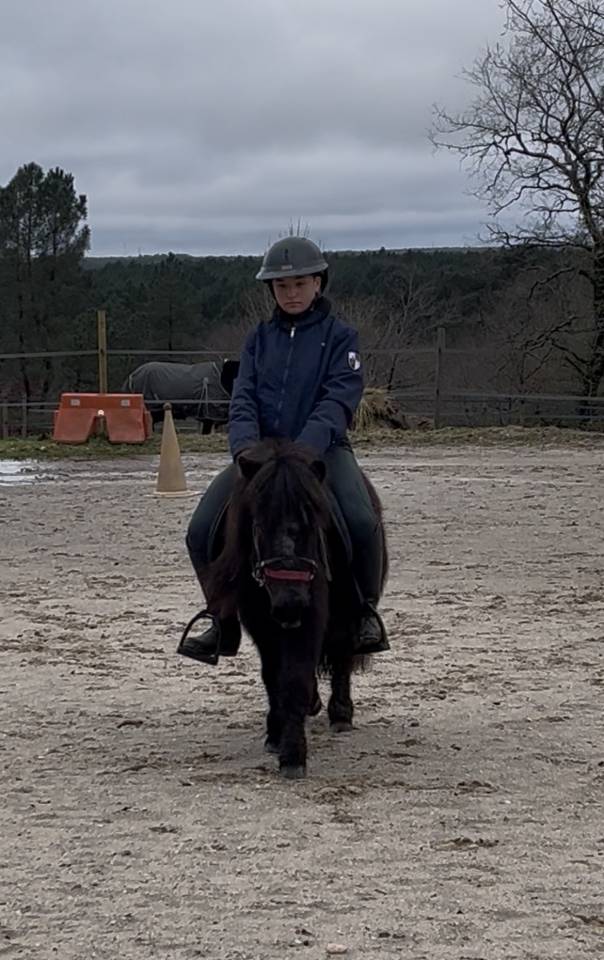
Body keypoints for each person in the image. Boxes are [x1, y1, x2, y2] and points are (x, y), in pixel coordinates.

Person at [178, 236, 389, 664]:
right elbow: (243, 398)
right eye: (281, 286)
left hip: (322, 454)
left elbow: (338, 399)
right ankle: (222, 620)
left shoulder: (341, 337)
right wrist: (245, 451)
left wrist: (304, 451)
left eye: (299, 284)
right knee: (200, 530)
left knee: (363, 522)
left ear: (317, 284)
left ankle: (365, 612)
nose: (290, 294)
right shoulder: (258, 340)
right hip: (261, 458)